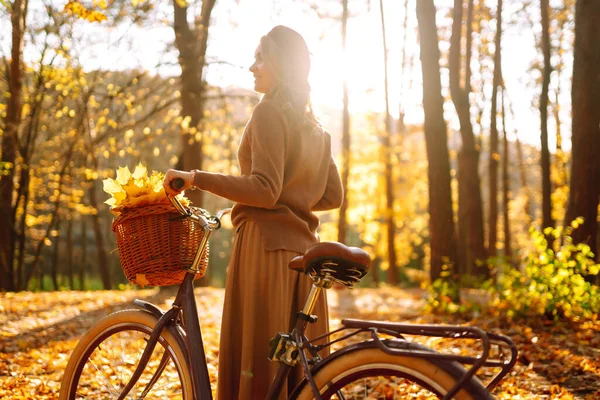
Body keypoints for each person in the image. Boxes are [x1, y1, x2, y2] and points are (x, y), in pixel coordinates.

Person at [163, 25, 343, 400]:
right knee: (298, 372)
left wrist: (195, 178)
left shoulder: (268, 113)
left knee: (259, 365)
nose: (252, 66)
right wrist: (294, 197)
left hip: (264, 251)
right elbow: (332, 196)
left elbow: (264, 188)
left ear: (278, 62)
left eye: (260, 57)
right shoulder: (317, 129)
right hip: (305, 256)